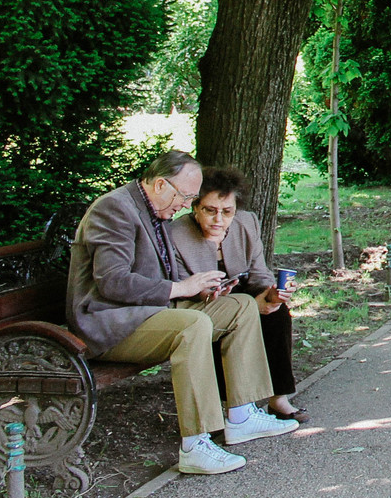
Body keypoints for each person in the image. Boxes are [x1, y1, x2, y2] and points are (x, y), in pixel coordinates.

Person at [66, 151, 296, 476]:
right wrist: (182, 289)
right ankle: (195, 444)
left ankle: (241, 416)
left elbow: (159, 276)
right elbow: (112, 282)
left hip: (149, 311)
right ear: (161, 184)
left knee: (241, 306)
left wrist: (202, 290)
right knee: (193, 325)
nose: (184, 204)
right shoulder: (114, 209)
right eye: (186, 196)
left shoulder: (151, 208)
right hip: (110, 322)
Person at [171, 167, 306, 423]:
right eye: (210, 210)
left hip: (241, 287)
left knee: (278, 315)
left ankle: (279, 398)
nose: (218, 220)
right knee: (225, 320)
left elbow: (258, 271)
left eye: (227, 212)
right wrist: (247, 304)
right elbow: (180, 286)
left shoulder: (247, 223)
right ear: (195, 207)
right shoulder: (176, 235)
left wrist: (271, 294)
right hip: (200, 299)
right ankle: (235, 406)